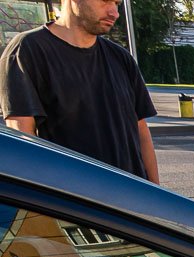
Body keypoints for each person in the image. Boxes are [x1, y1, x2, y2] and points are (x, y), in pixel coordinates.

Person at [1, 0, 159, 182]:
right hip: (76, 203)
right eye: (106, 1)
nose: (114, 13)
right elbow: (24, 142)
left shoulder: (121, 58)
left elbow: (141, 131)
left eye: (116, 4)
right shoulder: (27, 50)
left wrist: (157, 194)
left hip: (132, 198)